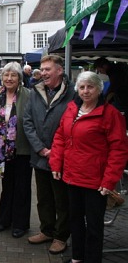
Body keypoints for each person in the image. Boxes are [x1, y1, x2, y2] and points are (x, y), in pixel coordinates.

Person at [50, 71, 128, 263]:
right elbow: (60, 136)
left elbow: (118, 149)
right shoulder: (71, 109)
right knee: (75, 221)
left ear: (99, 89)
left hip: (96, 181)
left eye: (90, 87)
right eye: (82, 87)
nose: (86, 91)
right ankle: (77, 257)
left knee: (94, 226)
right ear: (77, 89)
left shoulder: (111, 114)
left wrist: (109, 180)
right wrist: (56, 163)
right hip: (72, 176)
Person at [23, 55, 75, 255]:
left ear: (59, 70)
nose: (43, 73)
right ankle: (46, 230)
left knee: (61, 199)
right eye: (42, 69)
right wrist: (40, 148)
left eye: (47, 69)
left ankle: (61, 236)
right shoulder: (35, 92)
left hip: (62, 158)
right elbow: (27, 121)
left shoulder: (73, 93)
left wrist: (56, 151)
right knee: (44, 197)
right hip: (40, 156)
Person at [0, 62, 32, 239]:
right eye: (6, 75)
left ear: (19, 78)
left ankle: (20, 224)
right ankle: (4, 220)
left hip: (22, 148)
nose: (9, 78)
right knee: (7, 186)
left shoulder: (28, 95)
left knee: (22, 186)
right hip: (2, 149)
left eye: (13, 75)